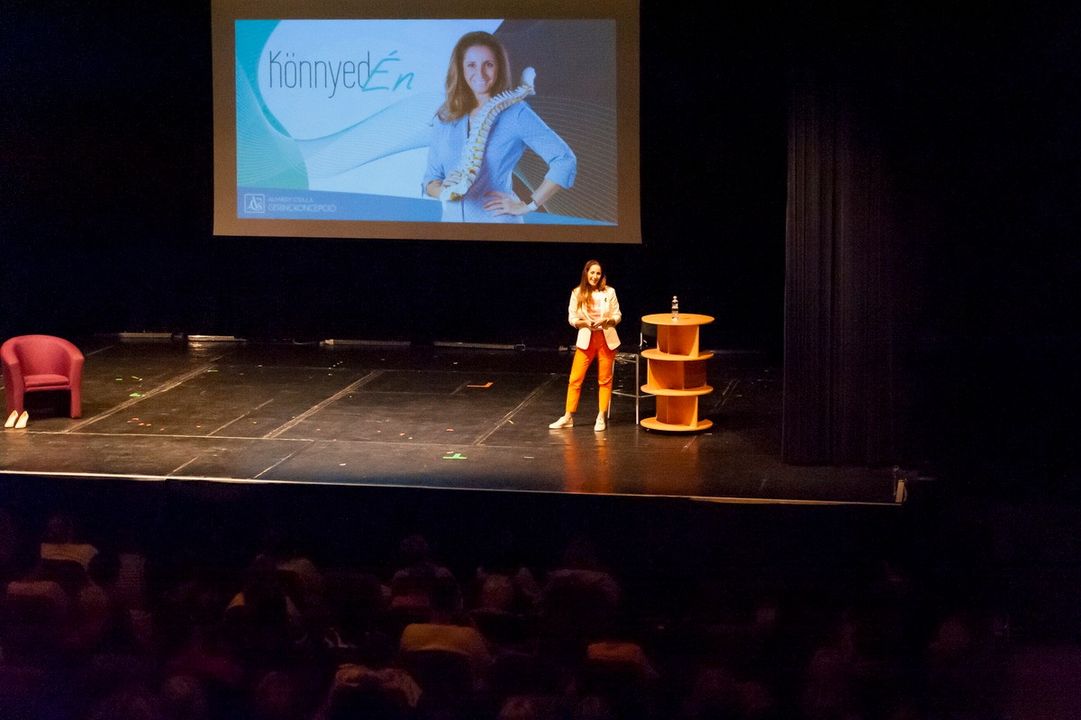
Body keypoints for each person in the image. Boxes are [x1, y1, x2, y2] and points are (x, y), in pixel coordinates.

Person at [423, 30, 576, 223]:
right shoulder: (446, 116)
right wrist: (444, 191)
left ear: (499, 68)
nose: (480, 73)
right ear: (460, 69)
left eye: (488, 64)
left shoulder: (516, 113)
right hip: (452, 231)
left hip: (498, 227)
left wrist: (529, 204)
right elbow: (430, 178)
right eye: (471, 65)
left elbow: (564, 159)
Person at [550, 261, 621, 431]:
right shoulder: (577, 292)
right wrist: (582, 323)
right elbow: (572, 318)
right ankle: (568, 417)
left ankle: (601, 416)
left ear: (601, 275)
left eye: (598, 273)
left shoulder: (609, 292)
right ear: (586, 273)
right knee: (575, 379)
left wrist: (608, 320)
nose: (595, 276)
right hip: (586, 339)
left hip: (606, 339)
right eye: (592, 273)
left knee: (604, 380)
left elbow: (617, 315)